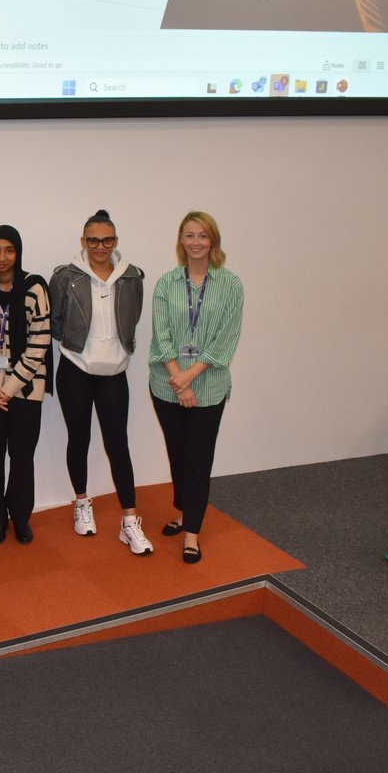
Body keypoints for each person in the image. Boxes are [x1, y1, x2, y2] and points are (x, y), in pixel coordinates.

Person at [49, 210, 153, 555]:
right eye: (93, 240)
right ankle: (82, 503)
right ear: (83, 242)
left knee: (117, 445)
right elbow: (57, 322)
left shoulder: (132, 278)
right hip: (75, 369)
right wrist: (79, 347)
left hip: (115, 374)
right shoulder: (66, 277)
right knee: (79, 438)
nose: (100, 247)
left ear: (116, 242)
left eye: (107, 240)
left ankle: (129, 521)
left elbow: (133, 318)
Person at [147, 212, 244, 564]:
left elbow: (225, 340)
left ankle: (192, 534)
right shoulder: (166, 283)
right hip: (166, 384)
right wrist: (177, 377)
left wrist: (189, 378)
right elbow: (162, 336)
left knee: (198, 460)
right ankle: (183, 512)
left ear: (213, 240)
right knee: (178, 454)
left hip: (208, 387)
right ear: (181, 240)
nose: (196, 242)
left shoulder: (230, 285)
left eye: (202, 235)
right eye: (189, 235)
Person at [0, 225, 52, 545]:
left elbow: (40, 343)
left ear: (18, 253)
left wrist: (11, 386)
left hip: (27, 390)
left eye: (9, 250)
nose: (1, 257)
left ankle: (20, 516)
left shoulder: (34, 288)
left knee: (21, 456)